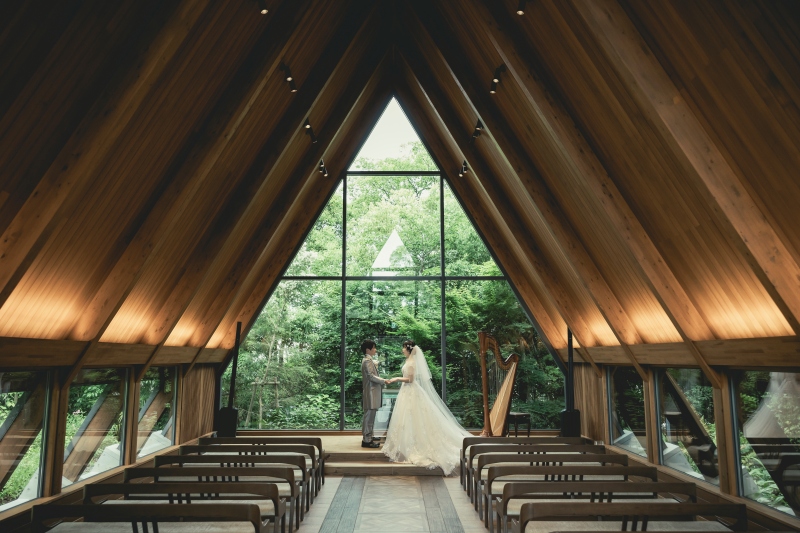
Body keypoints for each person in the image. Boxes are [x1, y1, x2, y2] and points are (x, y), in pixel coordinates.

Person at [383, 339, 471, 475]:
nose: (402, 350)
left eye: (403, 348)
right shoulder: (409, 361)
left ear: (408, 349)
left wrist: (397, 379)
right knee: (407, 418)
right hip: (406, 392)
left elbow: (410, 380)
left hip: (411, 390)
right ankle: (405, 444)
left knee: (414, 416)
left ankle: (414, 445)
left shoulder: (411, 362)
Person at [360, 339, 386, 448]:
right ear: (368, 349)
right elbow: (370, 376)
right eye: (374, 348)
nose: (375, 350)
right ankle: (366, 440)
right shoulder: (367, 361)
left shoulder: (369, 360)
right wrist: (383, 380)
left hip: (372, 392)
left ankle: (369, 436)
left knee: (370, 416)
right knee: (369, 417)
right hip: (371, 392)